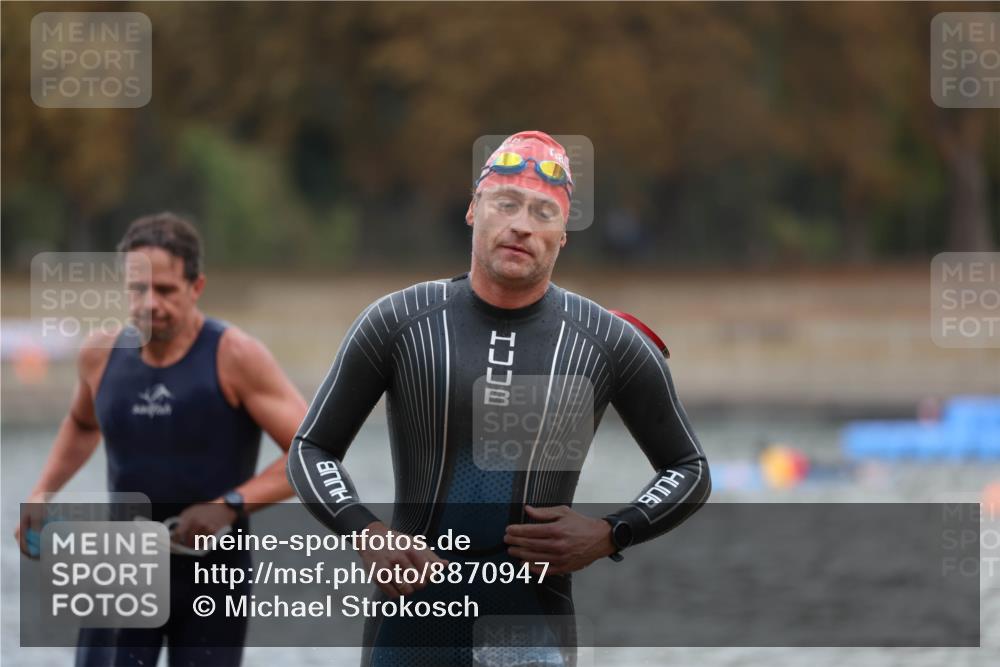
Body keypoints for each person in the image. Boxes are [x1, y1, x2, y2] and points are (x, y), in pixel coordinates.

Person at [287, 131, 711, 665]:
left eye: (543, 213)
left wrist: (610, 533)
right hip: (411, 626)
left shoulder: (606, 341)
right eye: (505, 204)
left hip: (531, 629)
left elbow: (689, 468)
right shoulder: (398, 322)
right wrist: (365, 531)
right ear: (473, 209)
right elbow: (311, 447)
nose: (522, 225)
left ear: (563, 235)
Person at [15, 212, 308, 667]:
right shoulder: (101, 354)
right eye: (137, 289)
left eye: (166, 290)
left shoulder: (235, 356)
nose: (150, 303)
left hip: (213, 568)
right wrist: (43, 490)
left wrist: (228, 505)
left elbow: (309, 455)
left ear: (197, 287)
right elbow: (82, 423)